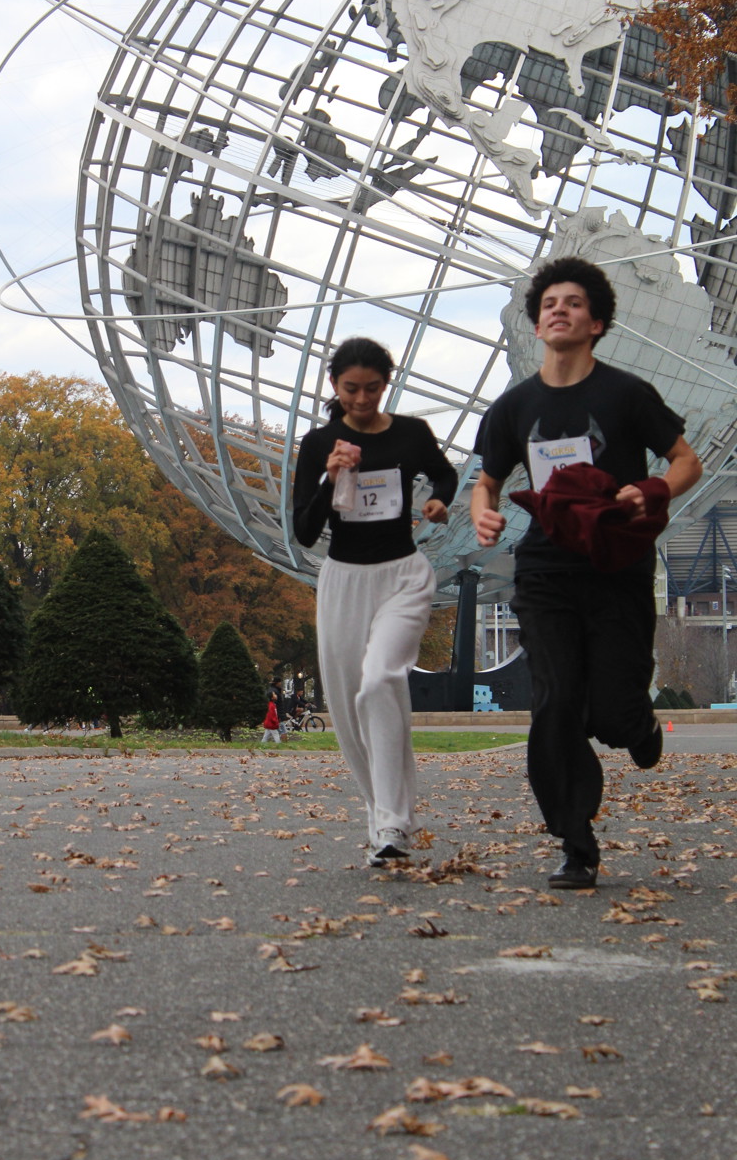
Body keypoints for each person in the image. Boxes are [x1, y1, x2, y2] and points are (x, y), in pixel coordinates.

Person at [471, 256, 702, 889]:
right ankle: (576, 842)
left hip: (615, 568)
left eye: (573, 303)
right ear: (537, 322)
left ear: (595, 322)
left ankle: (637, 723)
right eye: (549, 303)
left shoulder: (627, 394)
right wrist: (484, 512)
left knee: (613, 713)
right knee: (556, 701)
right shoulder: (514, 406)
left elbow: (686, 461)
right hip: (545, 572)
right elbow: (487, 481)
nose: (559, 310)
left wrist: (651, 489)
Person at [293, 336, 458, 865]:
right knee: (347, 708)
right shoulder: (319, 443)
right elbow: (304, 531)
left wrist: (439, 500)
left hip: (403, 576)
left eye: (372, 388)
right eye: (351, 389)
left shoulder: (411, 433)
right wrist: (331, 477)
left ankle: (392, 822)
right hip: (344, 581)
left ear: (387, 384)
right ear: (333, 385)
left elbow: (446, 473)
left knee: (381, 679)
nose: (362, 399)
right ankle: (382, 819)